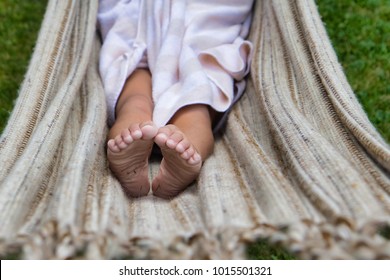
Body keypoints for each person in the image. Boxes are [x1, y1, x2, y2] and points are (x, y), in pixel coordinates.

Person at [98, 0, 253, 199]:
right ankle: (136, 147)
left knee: (150, 99)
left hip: (198, 39)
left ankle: (183, 156)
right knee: (142, 94)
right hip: (144, 32)